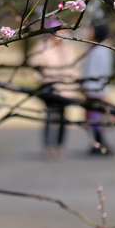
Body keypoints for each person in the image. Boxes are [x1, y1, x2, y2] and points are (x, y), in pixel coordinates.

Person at [33, 27, 79, 160]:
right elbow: (36, 65)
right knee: (49, 117)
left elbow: (74, 69)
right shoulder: (43, 46)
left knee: (63, 118)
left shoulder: (68, 48)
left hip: (66, 90)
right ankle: (48, 146)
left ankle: (59, 145)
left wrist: (75, 86)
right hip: (49, 88)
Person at [81, 24, 113, 155]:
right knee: (94, 120)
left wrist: (88, 88)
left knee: (95, 120)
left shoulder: (99, 51)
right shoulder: (97, 49)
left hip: (95, 91)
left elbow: (97, 72)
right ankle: (98, 144)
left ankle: (100, 146)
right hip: (94, 90)